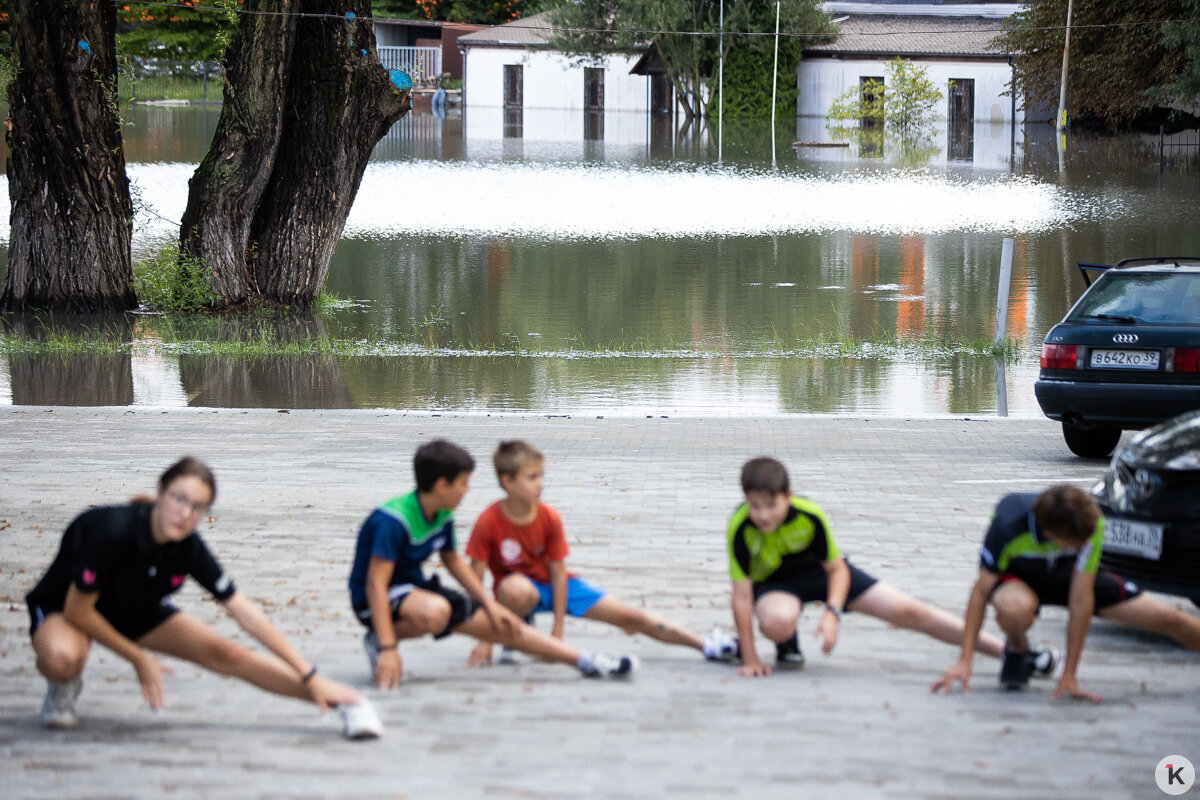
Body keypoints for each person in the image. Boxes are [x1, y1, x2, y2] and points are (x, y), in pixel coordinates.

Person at [26, 457, 382, 739]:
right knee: (62, 659)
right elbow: (79, 610)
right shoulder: (112, 531)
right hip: (69, 608)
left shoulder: (188, 548)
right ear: (161, 492)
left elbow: (246, 614)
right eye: (179, 499)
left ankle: (345, 702)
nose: (185, 513)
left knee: (228, 653)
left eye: (197, 506)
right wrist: (139, 659)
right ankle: (63, 686)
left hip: (133, 609)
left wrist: (309, 673)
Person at [348, 439, 638, 687]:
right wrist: (388, 648)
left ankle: (588, 661)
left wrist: (491, 607)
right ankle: (379, 639)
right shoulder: (393, 521)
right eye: (463, 483)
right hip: (375, 599)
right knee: (437, 611)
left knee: (506, 626)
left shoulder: (442, 513)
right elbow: (375, 584)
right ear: (441, 485)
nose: (467, 490)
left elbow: (453, 562)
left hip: (416, 592)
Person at [725, 456, 1023, 678]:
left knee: (912, 611)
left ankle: (1010, 652)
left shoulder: (809, 515)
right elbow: (741, 596)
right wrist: (750, 659)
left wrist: (832, 614)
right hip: (777, 587)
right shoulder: (740, 527)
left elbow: (837, 570)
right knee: (776, 621)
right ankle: (786, 642)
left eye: (771, 505)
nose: (763, 515)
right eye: (755, 506)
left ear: (788, 496)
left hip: (821, 576)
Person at [463, 440, 732, 668]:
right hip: (516, 592)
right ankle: (514, 626)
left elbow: (558, 574)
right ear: (507, 482)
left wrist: (558, 633)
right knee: (516, 591)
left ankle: (707, 644)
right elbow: (474, 582)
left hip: (560, 586)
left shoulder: (549, 518)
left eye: (542, 475)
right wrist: (485, 640)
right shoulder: (488, 521)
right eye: (532, 477)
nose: (540, 484)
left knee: (632, 618)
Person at [932, 485, 1200, 701]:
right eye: (1079, 542)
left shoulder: (1089, 524)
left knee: (1171, 619)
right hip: (1019, 578)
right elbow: (980, 593)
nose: (1087, 543)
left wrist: (1070, 675)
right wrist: (964, 662)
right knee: (1014, 609)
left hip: (1070, 576)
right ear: (1050, 533)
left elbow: (1081, 600)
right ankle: (1017, 647)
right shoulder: (1007, 524)